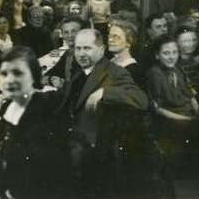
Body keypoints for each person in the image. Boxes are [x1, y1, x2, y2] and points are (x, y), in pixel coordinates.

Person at [54, 29, 149, 196]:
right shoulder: (79, 72)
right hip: (72, 137)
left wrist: (105, 93)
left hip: (93, 146)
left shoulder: (114, 72)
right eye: (78, 48)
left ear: (101, 49)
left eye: (87, 48)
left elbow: (141, 99)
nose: (81, 54)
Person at [0, 46, 72, 199]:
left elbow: (37, 172)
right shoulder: (11, 105)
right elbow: (4, 130)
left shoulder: (44, 112)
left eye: (18, 73)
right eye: (4, 74)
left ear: (33, 76)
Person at [146, 35, 199, 185]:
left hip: (186, 113)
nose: (172, 57)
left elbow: (189, 94)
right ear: (157, 55)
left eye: (174, 52)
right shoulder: (155, 74)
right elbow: (158, 109)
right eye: (166, 53)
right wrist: (187, 120)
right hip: (169, 120)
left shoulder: (177, 69)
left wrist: (197, 111)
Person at [176, 26, 199, 116]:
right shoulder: (174, 60)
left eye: (194, 40)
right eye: (186, 41)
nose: (191, 44)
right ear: (176, 42)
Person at [43, 18, 85, 88]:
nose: (70, 36)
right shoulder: (68, 53)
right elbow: (53, 72)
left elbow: (82, 88)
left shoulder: (87, 56)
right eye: (66, 32)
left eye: (74, 31)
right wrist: (50, 79)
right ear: (62, 34)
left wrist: (63, 84)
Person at [108, 20, 143, 87]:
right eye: (109, 36)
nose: (110, 40)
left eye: (116, 37)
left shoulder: (132, 71)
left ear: (129, 42)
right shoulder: (110, 62)